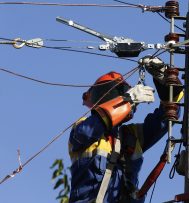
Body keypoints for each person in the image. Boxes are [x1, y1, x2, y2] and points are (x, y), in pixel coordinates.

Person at [68, 57, 183, 203]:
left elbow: (167, 116)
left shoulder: (130, 136)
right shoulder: (82, 128)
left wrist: (165, 79)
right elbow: (90, 130)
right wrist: (127, 100)